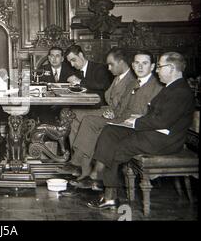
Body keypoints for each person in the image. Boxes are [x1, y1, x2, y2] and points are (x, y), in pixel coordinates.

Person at [87, 52, 195, 209]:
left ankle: (109, 195)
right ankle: (97, 175)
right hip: (154, 132)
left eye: (159, 67)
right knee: (110, 131)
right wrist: (139, 119)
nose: (157, 71)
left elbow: (162, 121)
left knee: (117, 148)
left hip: (164, 140)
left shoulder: (180, 91)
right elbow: (158, 116)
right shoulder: (171, 87)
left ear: (171, 68)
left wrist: (136, 121)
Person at [69, 51, 162, 189]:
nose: (140, 67)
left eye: (144, 63)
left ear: (153, 66)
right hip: (120, 118)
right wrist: (113, 113)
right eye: (137, 63)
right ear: (132, 64)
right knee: (88, 120)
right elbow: (122, 106)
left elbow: (153, 114)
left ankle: (88, 172)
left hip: (135, 125)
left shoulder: (157, 86)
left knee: (98, 127)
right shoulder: (134, 83)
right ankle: (80, 166)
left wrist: (122, 117)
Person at [61, 47, 134, 175]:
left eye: (111, 64)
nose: (109, 68)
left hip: (117, 115)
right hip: (109, 110)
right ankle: (81, 167)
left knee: (88, 121)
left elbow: (127, 105)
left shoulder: (131, 79)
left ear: (121, 62)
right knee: (73, 115)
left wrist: (113, 111)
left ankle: (78, 164)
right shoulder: (118, 77)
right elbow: (110, 97)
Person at [31, 46, 77, 124]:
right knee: (44, 115)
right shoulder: (41, 70)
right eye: (52, 56)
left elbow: (75, 89)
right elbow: (35, 89)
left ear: (62, 59)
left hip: (65, 104)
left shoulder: (71, 70)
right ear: (49, 58)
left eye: (57, 56)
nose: (54, 59)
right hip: (46, 105)